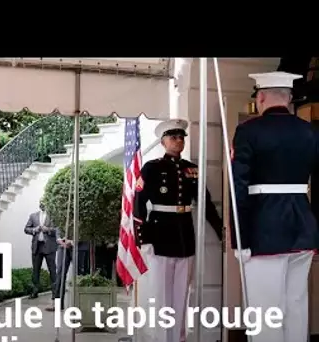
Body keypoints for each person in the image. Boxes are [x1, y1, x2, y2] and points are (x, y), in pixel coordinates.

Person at [231, 71, 318, 342]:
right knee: (295, 305)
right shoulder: (310, 131)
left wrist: (239, 238)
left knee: (266, 310)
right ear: (290, 98)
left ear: (262, 97)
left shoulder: (248, 131)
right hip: (303, 226)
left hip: (264, 229)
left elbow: (239, 187)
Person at [133, 119, 223, 342]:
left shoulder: (191, 169)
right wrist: (141, 237)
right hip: (160, 234)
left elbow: (205, 203)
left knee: (182, 296)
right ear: (163, 141)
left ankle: (179, 338)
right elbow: (138, 202)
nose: (179, 141)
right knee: (163, 295)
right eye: (173, 137)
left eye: (182, 137)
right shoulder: (152, 168)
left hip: (184, 236)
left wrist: (220, 230)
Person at [24, 201, 58, 300]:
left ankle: (55, 293)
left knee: (52, 270)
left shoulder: (53, 216)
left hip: (49, 247)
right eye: (41, 203)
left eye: (44, 202)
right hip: (37, 247)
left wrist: (48, 230)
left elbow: (57, 230)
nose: (42, 204)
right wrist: (35, 230)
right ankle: (34, 291)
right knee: (35, 270)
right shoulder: (33, 216)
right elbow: (26, 229)